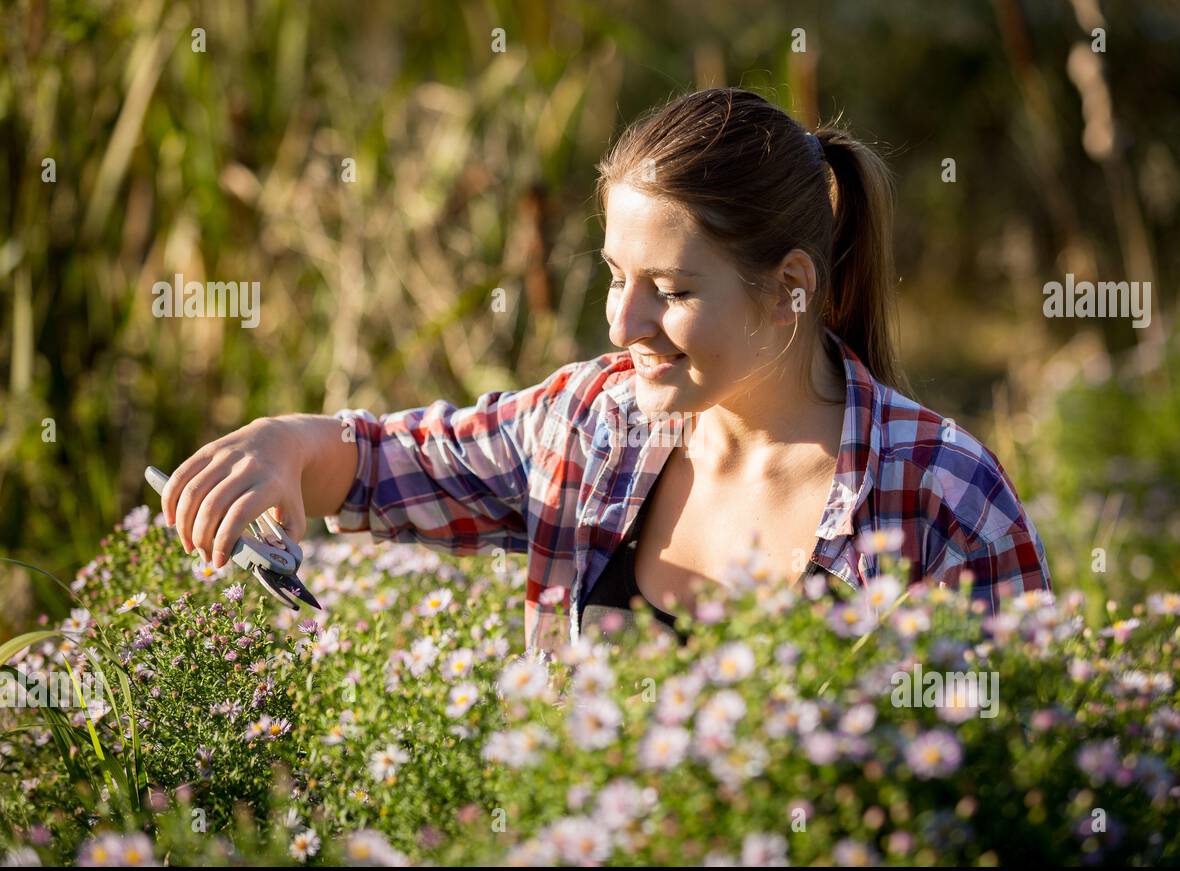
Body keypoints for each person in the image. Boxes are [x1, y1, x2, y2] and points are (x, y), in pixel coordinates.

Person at [159, 87, 1051, 653]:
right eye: (617, 276)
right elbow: (391, 463)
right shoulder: (591, 421)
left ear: (788, 289)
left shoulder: (941, 493)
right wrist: (281, 448)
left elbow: (1025, 768)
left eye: (670, 289)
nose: (624, 322)